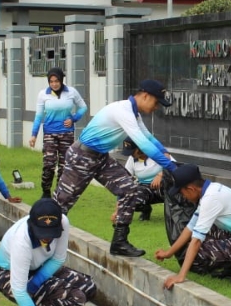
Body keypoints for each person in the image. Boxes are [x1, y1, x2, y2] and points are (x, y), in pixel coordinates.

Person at [53, 79, 178, 257]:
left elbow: (149, 138)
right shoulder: (123, 111)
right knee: (61, 204)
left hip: (100, 157)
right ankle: (41, 240)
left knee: (129, 188)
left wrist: (165, 153)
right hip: (81, 157)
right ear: (145, 96)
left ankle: (119, 242)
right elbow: (144, 144)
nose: (156, 107)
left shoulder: (134, 114)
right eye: (156, 102)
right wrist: (171, 167)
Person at [0, 198, 97, 306]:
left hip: (41, 267)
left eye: (51, 232)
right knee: (76, 299)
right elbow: (18, 289)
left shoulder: (63, 222)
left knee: (88, 287)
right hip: (10, 275)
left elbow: (58, 259)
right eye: (42, 232)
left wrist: (36, 283)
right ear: (32, 224)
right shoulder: (21, 241)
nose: (47, 237)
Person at [155, 164, 231, 288]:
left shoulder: (211, 199)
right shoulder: (210, 191)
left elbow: (196, 241)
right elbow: (190, 227)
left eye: (182, 193)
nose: (183, 197)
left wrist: (180, 276)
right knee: (195, 241)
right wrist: (168, 253)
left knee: (198, 253)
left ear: (191, 189)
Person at [29, 67, 88, 198]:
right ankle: (46, 192)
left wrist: (73, 119)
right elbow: (38, 116)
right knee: (49, 164)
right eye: (51, 81)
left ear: (61, 80)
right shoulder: (43, 94)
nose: (54, 84)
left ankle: (59, 194)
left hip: (66, 134)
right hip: (50, 134)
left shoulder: (71, 92)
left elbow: (83, 107)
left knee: (64, 166)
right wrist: (34, 135)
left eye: (56, 81)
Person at [111, 138, 168, 222]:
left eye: (132, 152)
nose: (130, 155)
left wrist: (160, 174)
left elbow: (173, 166)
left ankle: (173, 215)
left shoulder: (156, 153)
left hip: (164, 185)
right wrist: (118, 211)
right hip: (145, 188)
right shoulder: (132, 159)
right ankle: (146, 209)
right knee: (131, 198)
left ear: (140, 148)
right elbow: (124, 183)